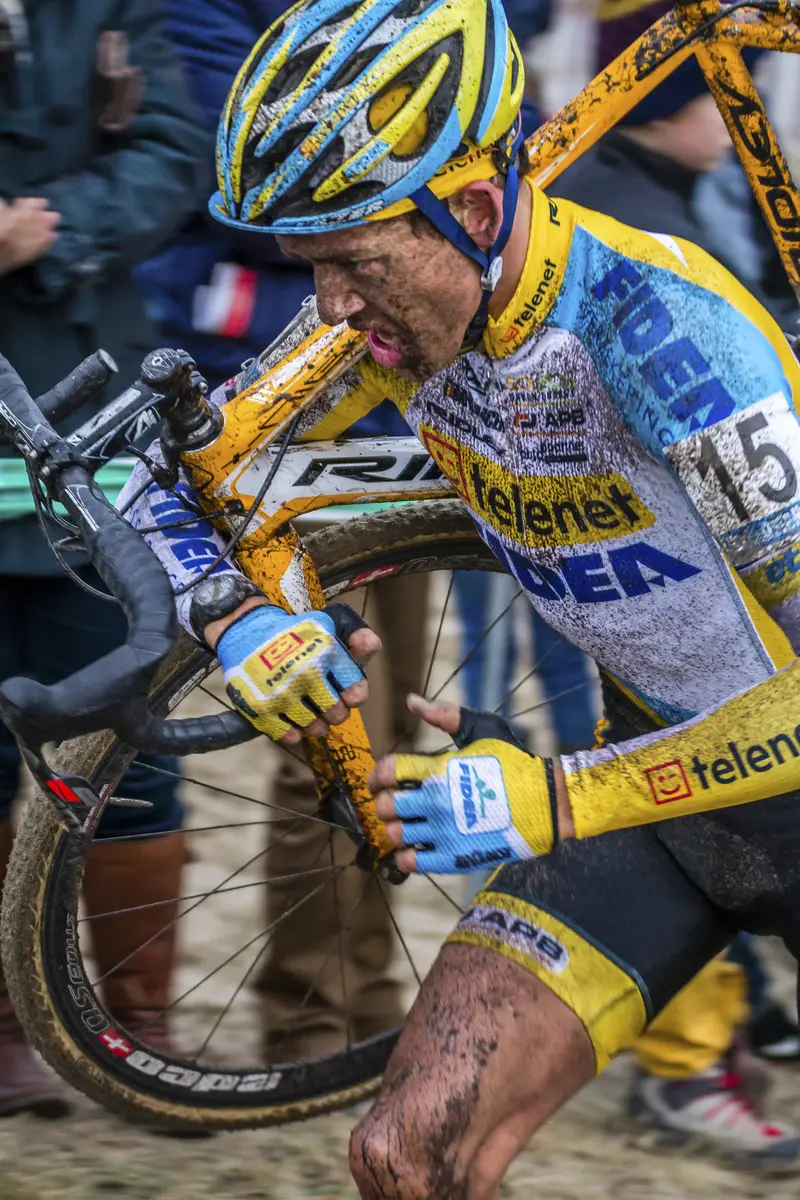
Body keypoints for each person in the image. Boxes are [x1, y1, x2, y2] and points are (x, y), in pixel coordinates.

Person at [116, 0, 800, 1189]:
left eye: (353, 264)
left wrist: (557, 798)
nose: (327, 310)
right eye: (308, 268)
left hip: (687, 779)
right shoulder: (399, 319)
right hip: (660, 808)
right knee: (403, 1152)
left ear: (473, 210)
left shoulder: (663, 338)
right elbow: (157, 484)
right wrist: (240, 617)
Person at [545, 0, 800, 1156]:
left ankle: (732, 1012)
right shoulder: (613, 211)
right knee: (675, 785)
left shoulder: (693, 186)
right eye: (717, 80)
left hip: (711, 574)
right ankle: (685, 1057)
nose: (732, 99)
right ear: (671, 94)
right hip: (642, 591)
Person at [0, 0, 206, 1116]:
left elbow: (176, 149)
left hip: (94, 427)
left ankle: (142, 1038)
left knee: (138, 742)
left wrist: (46, 231)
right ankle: (3, 1034)